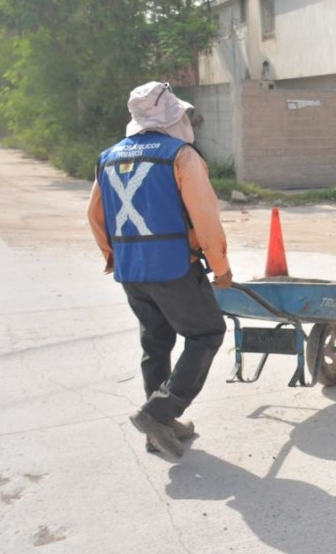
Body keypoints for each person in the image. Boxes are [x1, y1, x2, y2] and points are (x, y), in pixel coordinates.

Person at [87, 81, 233, 459]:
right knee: (206, 333)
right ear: (172, 117)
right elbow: (205, 217)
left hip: (132, 269)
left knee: (156, 343)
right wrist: (220, 267)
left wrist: (114, 256)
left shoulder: (109, 157)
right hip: (173, 267)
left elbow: (96, 216)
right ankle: (158, 412)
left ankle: (160, 430)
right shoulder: (180, 155)